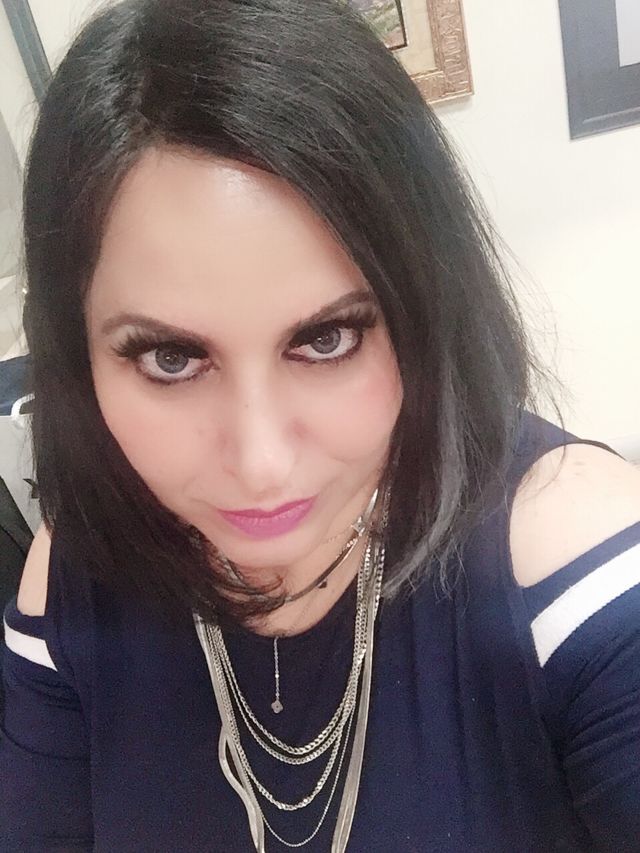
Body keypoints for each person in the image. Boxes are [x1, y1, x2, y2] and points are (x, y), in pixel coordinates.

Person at [2, 0, 640, 850]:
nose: (261, 463)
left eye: (327, 339)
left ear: (424, 309)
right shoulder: (74, 572)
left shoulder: (570, 556)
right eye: (170, 358)